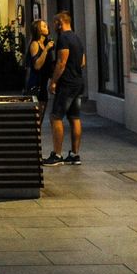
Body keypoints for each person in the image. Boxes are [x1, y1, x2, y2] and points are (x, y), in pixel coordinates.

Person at [43, 11, 85, 166]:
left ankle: (57, 155)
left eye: (54, 23)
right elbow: (82, 62)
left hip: (66, 84)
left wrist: (53, 81)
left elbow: (61, 62)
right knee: (74, 117)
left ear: (60, 22)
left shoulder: (63, 39)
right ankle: (74, 155)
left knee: (56, 117)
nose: (53, 26)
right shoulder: (77, 38)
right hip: (78, 82)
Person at [24, 18, 55, 135]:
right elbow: (37, 65)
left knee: (40, 117)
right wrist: (46, 50)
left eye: (46, 25)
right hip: (35, 84)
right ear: (38, 29)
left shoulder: (45, 43)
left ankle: (35, 141)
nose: (46, 27)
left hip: (43, 83)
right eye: (43, 26)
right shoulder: (35, 44)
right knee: (36, 118)